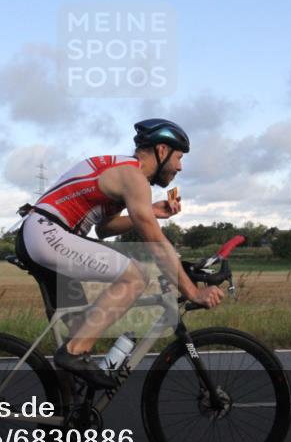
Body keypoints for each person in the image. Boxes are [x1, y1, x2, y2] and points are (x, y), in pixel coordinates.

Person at [14, 118, 223, 388]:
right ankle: (74, 352)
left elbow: (103, 228)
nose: (180, 167)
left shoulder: (122, 171)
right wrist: (192, 291)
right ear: (162, 151)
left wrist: (154, 212)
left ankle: (65, 417)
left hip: (42, 233)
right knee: (135, 277)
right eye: (179, 157)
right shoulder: (134, 178)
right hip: (47, 232)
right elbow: (156, 244)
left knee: (78, 328)